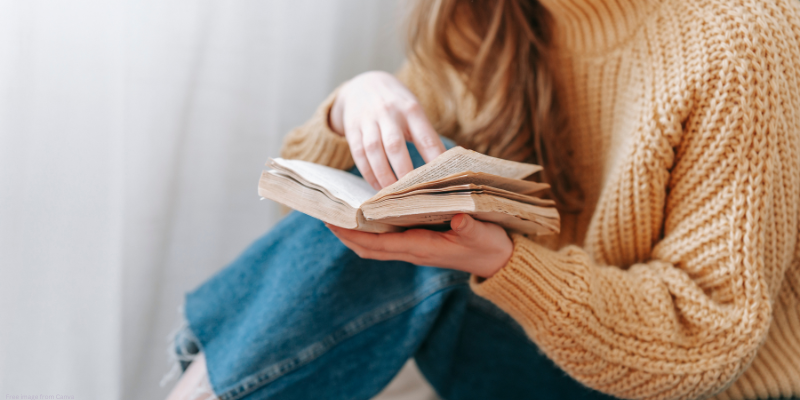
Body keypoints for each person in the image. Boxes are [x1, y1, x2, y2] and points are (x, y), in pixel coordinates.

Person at [165, 0, 800, 399]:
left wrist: (505, 265)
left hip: (685, 384)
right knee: (405, 195)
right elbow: (314, 241)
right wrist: (352, 107)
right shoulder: (493, 18)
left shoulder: (740, 34)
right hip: (539, 358)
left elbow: (705, 343)